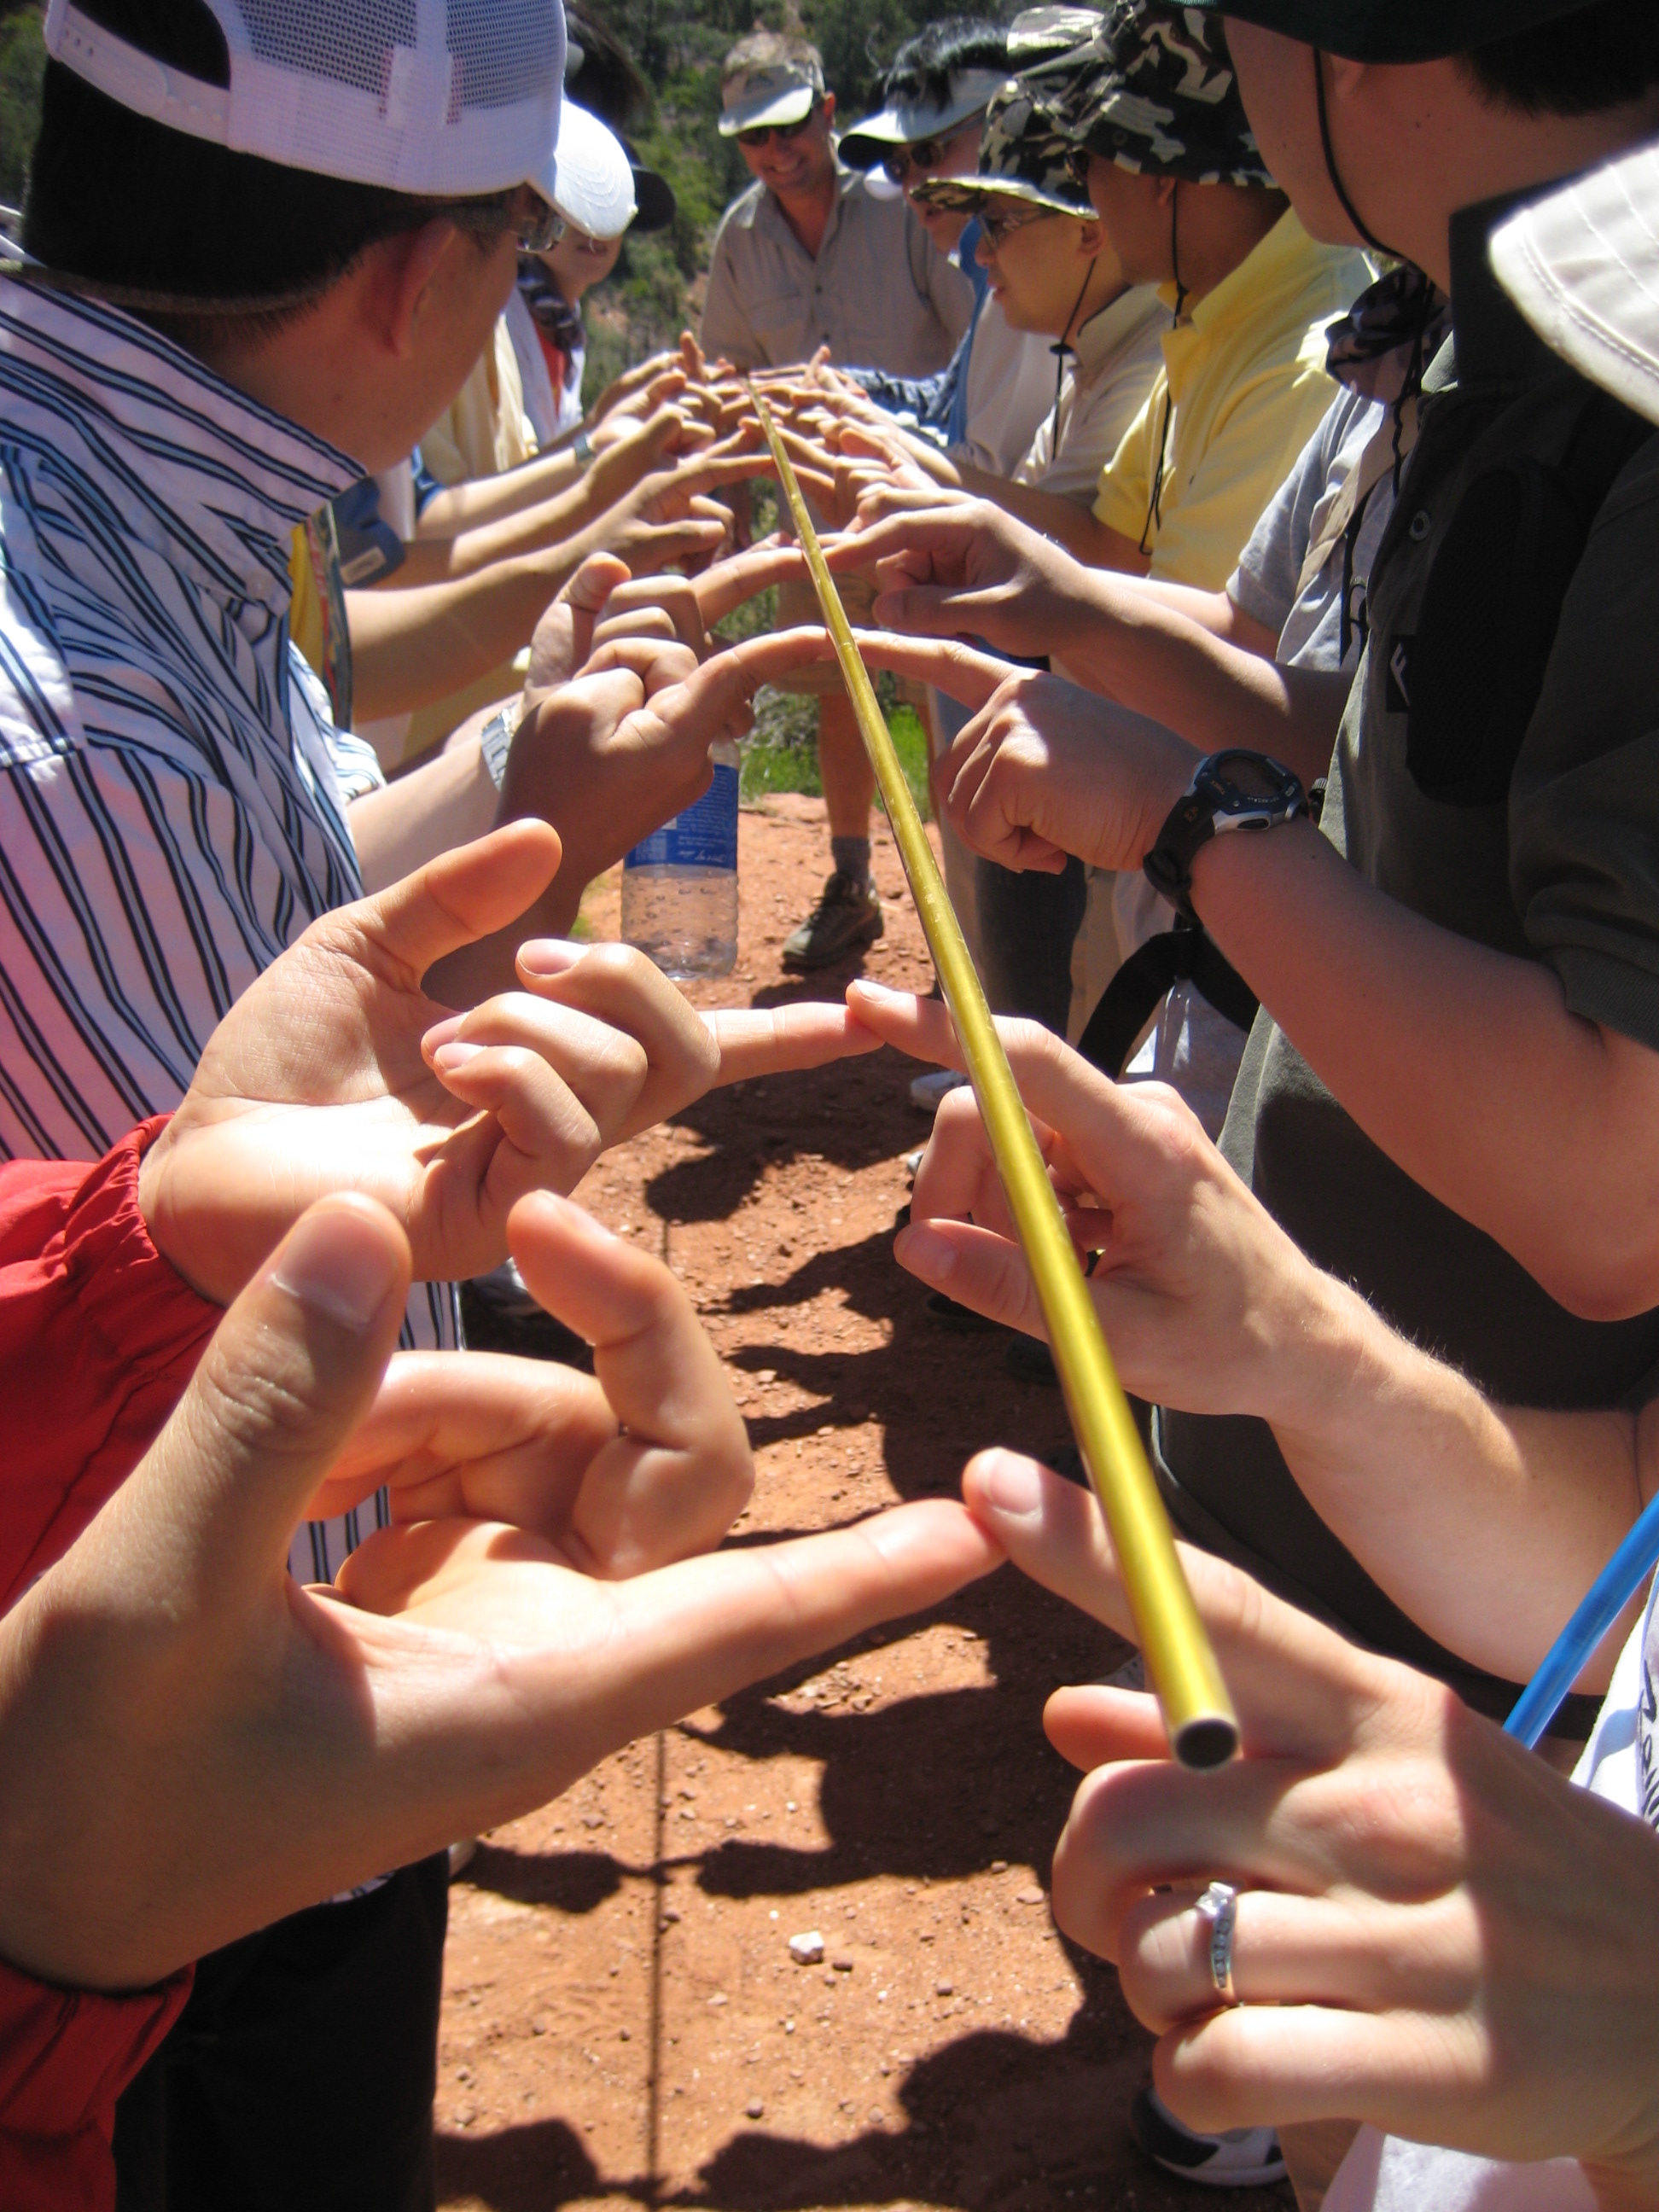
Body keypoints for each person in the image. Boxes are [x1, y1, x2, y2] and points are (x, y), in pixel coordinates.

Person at [825, 0, 1659, 1729]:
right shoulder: (1488, 349)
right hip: (1377, 1505)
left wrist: (1191, 825)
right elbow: (1375, 751)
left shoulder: (1619, 406)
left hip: (1488, 1611)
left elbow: (1612, 1189)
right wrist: (1078, 623)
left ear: (1357, 46)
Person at [700, 29, 975, 971]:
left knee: (948, 696)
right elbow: (732, 383)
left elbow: (977, 330)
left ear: (825, 112)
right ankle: (852, 885)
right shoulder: (741, 238)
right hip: (811, 521)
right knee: (836, 696)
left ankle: (970, 919)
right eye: (752, 138)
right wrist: (731, 512)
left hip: (928, 502)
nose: (775, 153)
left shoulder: (908, 209)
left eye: (787, 127)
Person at [835, 17, 1056, 480]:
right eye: (899, 167)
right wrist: (846, 392)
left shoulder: (1029, 274)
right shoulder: (994, 265)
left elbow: (985, 478)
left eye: (930, 155)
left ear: (1005, 126)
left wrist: (844, 423)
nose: (914, 188)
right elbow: (949, 408)